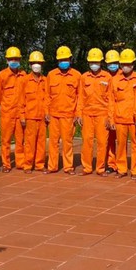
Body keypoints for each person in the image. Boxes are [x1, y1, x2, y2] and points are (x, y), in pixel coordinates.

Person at [46, 46, 81, 174]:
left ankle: (68, 167)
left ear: (71, 59)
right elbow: (47, 96)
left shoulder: (77, 75)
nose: (63, 61)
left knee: (67, 142)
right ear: (57, 61)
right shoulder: (51, 74)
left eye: (66, 59)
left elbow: (79, 97)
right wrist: (47, 112)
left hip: (68, 115)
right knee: (53, 142)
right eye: (61, 59)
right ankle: (52, 166)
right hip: (54, 114)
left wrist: (78, 114)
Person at [78, 48, 112, 176]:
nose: (94, 64)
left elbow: (111, 99)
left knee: (102, 142)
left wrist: (110, 116)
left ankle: (100, 168)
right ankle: (86, 168)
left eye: (96, 61)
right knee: (87, 141)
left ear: (101, 62)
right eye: (92, 61)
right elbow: (80, 97)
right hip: (87, 114)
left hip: (102, 114)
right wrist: (79, 114)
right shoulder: (84, 77)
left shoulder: (107, 77)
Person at [108, 49, 136, 179]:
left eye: (128, 64)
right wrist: (111, 120)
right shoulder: (115, 80)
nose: (126, 66)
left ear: (133, 64)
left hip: (134, 119)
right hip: (120, 118)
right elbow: (111, 101)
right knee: (120, 146)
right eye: (123, 64)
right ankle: (121, 169)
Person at [0, 46, 26, 173]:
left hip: (20, 114)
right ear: (7, 60)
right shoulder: (1, 76)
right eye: (11, 59)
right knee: (6, 140)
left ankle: (20, 162)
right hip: (7, 113)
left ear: (19, 59)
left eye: (16, 58)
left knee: (20, 140)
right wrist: (5, 107)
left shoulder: (24, 75)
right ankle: (6, 164)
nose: (14, 60)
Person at [21, 51, 48, 173]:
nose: (36, 65)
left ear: (42, 64)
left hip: (42, 118)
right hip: (30, 117)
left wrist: (47, 114)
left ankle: (39, 164)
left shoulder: (45, 81)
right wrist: (22, 116)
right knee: (30, 143)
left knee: (41, 143)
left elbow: (48, 99)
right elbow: (21, 100)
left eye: (39, 63)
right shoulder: (25, 80)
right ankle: (27, 165)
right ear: (30, 64)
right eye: (34, 63)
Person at [104, 49, 121, 174]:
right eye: (110, 63)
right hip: (105, 113)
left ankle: (120, 164)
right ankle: (110, 163)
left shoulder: (122, 76)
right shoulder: (104, 76)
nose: (112, 65)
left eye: (115, 62)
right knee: (108, 140)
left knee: (120, 141)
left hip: (120, 113)